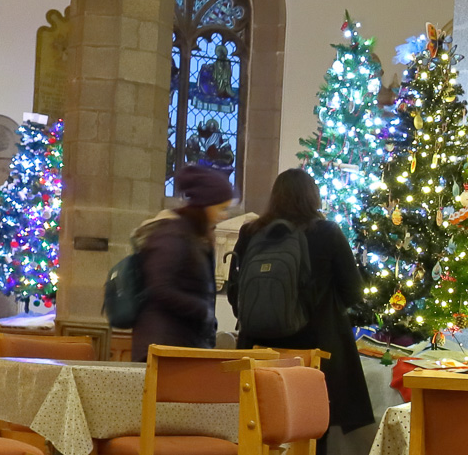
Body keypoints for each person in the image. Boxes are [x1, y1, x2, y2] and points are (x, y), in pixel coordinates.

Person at [228, 169, 373, 451]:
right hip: (314, 349)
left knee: (256, 424)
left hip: (258, 348)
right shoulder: (327, 232)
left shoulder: (251, 232)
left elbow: (235, 289)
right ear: (312, 196)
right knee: (312, 429)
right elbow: (354, 290)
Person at [131, 165, 236, 360]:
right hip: (162, 346)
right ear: (205, 204)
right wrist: (202, 310)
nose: (225, 215)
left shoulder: (193, 235)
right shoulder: (172, 235)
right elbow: (159, 287)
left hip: (181, 344)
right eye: (221, 208)